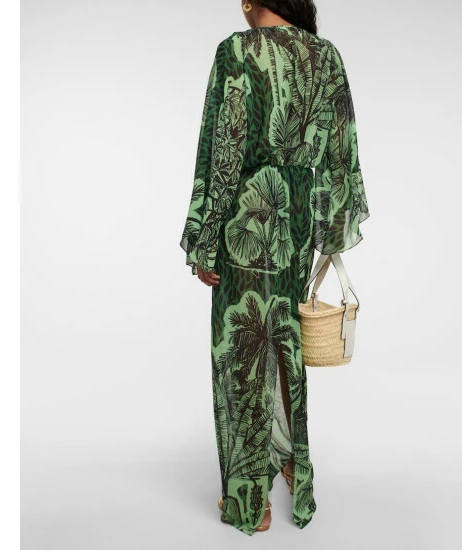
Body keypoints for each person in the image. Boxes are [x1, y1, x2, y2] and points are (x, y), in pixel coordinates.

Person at [179, 0, 370, 536]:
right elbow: (342, 149)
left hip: (249, 213)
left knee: (243, 353)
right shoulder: (326, 56)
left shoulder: (237, 51)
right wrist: (329, 229)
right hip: (297, 216)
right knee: (284, 342)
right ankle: (291, 463)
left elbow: (223, 148)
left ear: (249, 2)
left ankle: (251, 500)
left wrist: (205, 237)